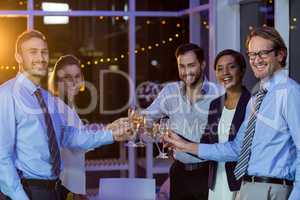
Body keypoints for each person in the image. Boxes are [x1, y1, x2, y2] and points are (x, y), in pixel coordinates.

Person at [164, 27, 300, 200]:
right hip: (248, 187)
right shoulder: (257, 99)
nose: (256, 60)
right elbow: (236, 149)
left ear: (280, 55)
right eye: (252, 54)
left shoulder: (290, 92)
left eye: (263, 53)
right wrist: (183, 145)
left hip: (273, 189)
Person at [0, 30, 131, 200]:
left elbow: (68, 136)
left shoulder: (47, 99)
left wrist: (111, 135)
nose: (40, 58)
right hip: (28, 190)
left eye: (44, 52)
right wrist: (20, 197)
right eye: (33, 52)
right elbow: (2, 156)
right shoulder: (7, 94)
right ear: (18, 57)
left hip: (55, 188)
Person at [144, 43, 221, 200]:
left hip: (209, 172)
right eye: (182, 66)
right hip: (179, 173)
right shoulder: (170, 92)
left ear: (203, 64)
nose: (186, 72)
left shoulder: (219, 93)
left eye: (191, 65)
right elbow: (147, 118)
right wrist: (159, 134)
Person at [206, 49, 250, 200]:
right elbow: (208, 142)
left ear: (242, 70)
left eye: (231, 67)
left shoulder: (252, 103)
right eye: (220, 69)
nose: (225, 72)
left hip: (241, 183)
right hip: (216, 181)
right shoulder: (214, 104)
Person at [48, 55, 88, 200]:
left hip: (73, 186)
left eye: (77, 76)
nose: (73, 82)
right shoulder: (56, 108)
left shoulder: (68, 107)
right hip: (64, 189)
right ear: (58, 81)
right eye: (67, 77)